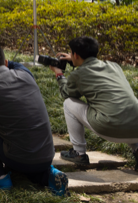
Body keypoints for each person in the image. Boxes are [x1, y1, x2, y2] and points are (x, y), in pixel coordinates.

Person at [0, 45, 67, 195]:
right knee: (24, 147)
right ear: (4, 62)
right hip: (47, 156)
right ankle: (48, 175)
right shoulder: (25, 73)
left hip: (18, 159)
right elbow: (13, 64)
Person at [50, 36, 138, 169]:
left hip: (110, 128)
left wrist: (59, 74)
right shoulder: (114, 66)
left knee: (68, 103)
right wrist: (75, 59)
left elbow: (67, 93)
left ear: (76, 55)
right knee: (125, 109)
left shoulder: (78, 74)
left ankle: (79, 153)